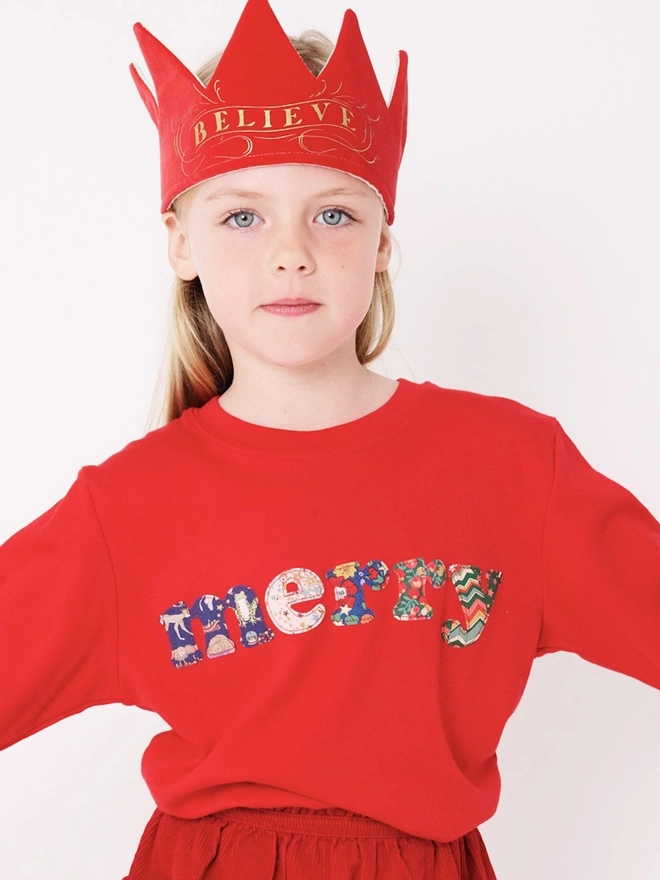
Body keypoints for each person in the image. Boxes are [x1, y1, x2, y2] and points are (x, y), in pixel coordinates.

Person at [1, 0, 658, 877]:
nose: (292, 253)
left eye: (334, 215)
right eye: (243, 216)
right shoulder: (125, 509)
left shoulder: (514, 466)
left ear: (383, 239)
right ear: (180, 243)